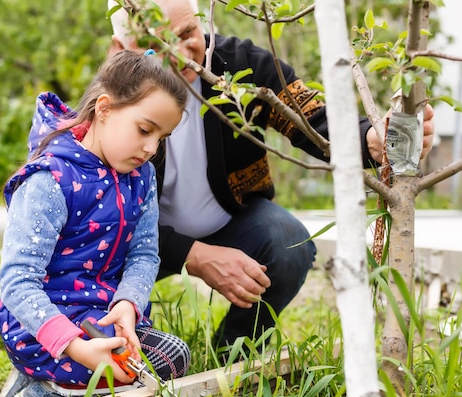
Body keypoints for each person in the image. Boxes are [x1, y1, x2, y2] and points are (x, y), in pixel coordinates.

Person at [107, 0, 435, 350]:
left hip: (230, 222)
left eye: (188, 33)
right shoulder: (110, 105)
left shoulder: (239, 68)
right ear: (121, 50)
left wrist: (376, 140)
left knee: (286, 242)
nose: (184, 53)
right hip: (133, 241)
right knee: (94, 270)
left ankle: (235, 352)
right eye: (161, 45)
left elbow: (313, 120)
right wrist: (192, 254)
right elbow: (101, 218)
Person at [0, 49, 191, 397]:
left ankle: (52, 389)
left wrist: (127, 305)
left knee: (172, 358)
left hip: (102, 317)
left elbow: (144, 254)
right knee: (121, 376)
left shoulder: (141, 176)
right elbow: (18, 281)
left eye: (161, 137)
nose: (151, 148)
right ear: (104, 108)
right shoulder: (49, 181)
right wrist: (74, 345)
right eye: (144, 129)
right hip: (41, 325)